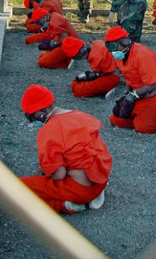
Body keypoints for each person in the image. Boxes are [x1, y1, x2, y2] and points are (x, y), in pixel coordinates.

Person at [19, 85, 112, 214]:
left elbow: (59, 175)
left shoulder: (48, 130)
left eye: (33, 116)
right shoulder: (81, 115)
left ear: (44, 110)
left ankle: (66, 205)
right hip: (100, 182)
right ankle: (90, 196)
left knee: (17, 187)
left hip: (80, 190)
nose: (33, 121)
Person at [104, 26, 156, 134]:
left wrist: (132, 96)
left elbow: (152, 85)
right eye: (109, 47)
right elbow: (128, 76)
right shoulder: (120, 56)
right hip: (141, 93)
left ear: (125, 42)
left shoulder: (142, 54)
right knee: (116, 120)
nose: (112, 51)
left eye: (114, 46)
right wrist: (127, 93)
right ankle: (150, 114)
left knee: (143, 128)